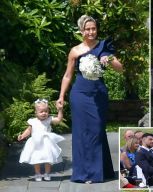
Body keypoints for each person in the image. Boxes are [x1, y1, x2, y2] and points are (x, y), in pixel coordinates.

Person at [56, 15, 123, 183]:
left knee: (97, 130)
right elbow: (67, 75)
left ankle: (100, 171)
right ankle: (84, 174)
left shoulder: (103, 46)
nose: (91, 32)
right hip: (79, 94)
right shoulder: (75, 51)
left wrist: (108, 60)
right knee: (81, 133)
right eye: (88, 29)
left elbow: (120, 68)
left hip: (98, 93)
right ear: (81, 31)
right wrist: (61, 96)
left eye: (93, 28)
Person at [18, 99, 65, 181]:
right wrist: (22, 136)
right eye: (41, 111)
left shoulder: (48, 120)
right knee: (36, 158)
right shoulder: (33, 121)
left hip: (46, 142)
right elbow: (29, 130)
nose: (44, 113)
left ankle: (47, 173)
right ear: (36, 112)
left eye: (46, 111)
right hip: (35, 143)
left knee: (48, 158)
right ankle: (38, 173)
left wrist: (60, 110)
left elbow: (58, 120)